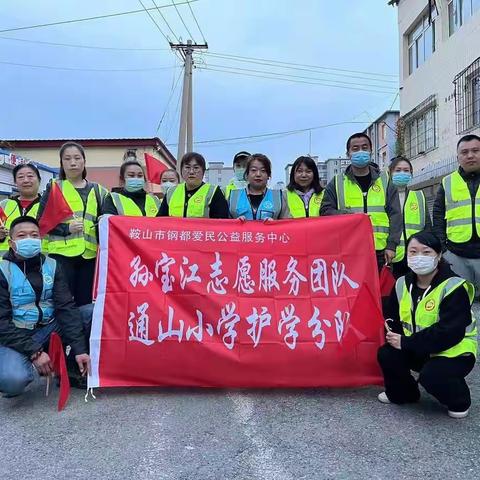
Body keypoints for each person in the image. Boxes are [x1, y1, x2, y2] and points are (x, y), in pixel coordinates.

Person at [377, 231, 477, 418]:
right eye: (413, 252)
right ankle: (405, 393)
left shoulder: (454, 287)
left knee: (432, 376)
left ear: (438, 256)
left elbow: (450, 333)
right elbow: (393, 318)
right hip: (419, 348)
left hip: (453, 351)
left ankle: (459, 399)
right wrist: (393, 334)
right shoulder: (401, 284)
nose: (418, 257)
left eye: (426, 252)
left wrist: (406, 343)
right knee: (387, 354)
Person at [0, 216, 91, 397]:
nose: (29, 239)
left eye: (34, 235)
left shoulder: (52, 265)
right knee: (13, 381)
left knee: (92, 313)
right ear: (11, 242)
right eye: (22, 236)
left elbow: (66, 307)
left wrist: (80, 349)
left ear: (41, 240)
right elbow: (1, 322)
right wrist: (34, 352)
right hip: (16, 333)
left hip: (50, 327)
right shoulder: (3, 270)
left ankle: (72, 366)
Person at [38, 142, 108, 307]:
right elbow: (41, 223)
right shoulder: (54, 188)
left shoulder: (99, 191)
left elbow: (108, 223)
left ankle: (82, 333)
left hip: (89, 258)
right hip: (61, 258)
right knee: (64, 303)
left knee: (86, 303)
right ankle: (64, 333)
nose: (73, 162)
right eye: (67, 159)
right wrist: (66, 229)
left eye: (77, 158)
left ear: (84, 161)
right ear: (61, 163)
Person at [321, 132, 402, 270]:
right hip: (348, 252)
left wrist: (391, 245)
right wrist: (346, 216)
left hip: (381, 252)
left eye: (364, 148)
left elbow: (395, 215)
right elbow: (324, 211)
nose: (360, 152)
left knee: (381, 292)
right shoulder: (337, 182)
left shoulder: (385, 180)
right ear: (348, 154)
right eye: (355, 148)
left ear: (371, 151)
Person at [433, 134, 480, 292]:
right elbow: (438, 216)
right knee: (460, 301)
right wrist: (443, 249)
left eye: (475, 150)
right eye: (465, 152)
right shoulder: (447, 182)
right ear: (458, 157)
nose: (470, 155)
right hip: (456, 255)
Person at [389, 156, 431, 278]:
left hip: (417, 256)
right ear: (390, 173)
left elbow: (427, 226)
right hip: (393, 256)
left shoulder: (418, 196)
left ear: (411, 173)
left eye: (406, 170)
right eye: (398, 170)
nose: (402, 173)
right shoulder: (383, 197)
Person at [158, 152, 229, 218]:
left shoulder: (213, 192)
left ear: (203, 171)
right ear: (181, 170)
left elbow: (222, 222)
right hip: (175, 232)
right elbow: (160, 220)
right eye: (187, 167)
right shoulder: (171, 192)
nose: (191, 172)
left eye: (196, 168)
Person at [228, 153, 289, 220]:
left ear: (268, 175)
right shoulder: (233, 196)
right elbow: (223, 225)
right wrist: (234, 223)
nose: (258, 174)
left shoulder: (279, 197)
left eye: (263, 170)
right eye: (253, 170)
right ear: (247, 174)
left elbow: (287, 225)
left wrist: (275, 225)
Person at [0, 163, 44, 255]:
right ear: (15, 182)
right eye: (20, 177)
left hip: (40, 263)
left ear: (39, 180)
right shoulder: (4, 205)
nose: (26, 180)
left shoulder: (48, 206)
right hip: (6, 264)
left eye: (30, 176)